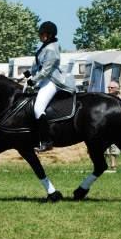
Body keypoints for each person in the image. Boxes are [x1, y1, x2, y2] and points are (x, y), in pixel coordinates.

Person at [27, 21, 75, 152]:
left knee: (38, 109)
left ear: (49, 35)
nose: (40, 36)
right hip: (45, 80)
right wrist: (25, 75)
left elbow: (45, 71)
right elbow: (35, 66)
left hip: (52, 81)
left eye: (42, 34)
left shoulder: (52, 48)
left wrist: (33, 80)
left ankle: (47, 141)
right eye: (40, 34)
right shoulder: (44, 47)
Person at [105, 80, 121, 171]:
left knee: (114, 145)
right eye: (108, 87)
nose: (109, 89)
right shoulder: (105, 98)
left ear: (117, 89)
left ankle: (113, 164)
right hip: (105, 124)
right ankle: (105, 164)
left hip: (117, 125)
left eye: (111, 87)